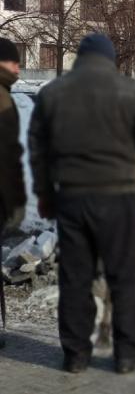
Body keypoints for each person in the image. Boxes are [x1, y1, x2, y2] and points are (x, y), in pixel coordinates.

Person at [28, 33, 135, 374]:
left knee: (75, 278)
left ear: (80, 57)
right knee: (124, 276)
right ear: (110, 58)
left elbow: (38, 150)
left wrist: (45, 194)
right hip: (118, 198)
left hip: (71, 198)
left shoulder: (52, 93)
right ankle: (127, 354)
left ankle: (75, 355)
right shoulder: (130, 90)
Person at [0, 38, 26, 349]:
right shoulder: (2, 99)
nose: (18, 68)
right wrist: (15, 203)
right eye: (13, 62)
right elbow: (6, 158)